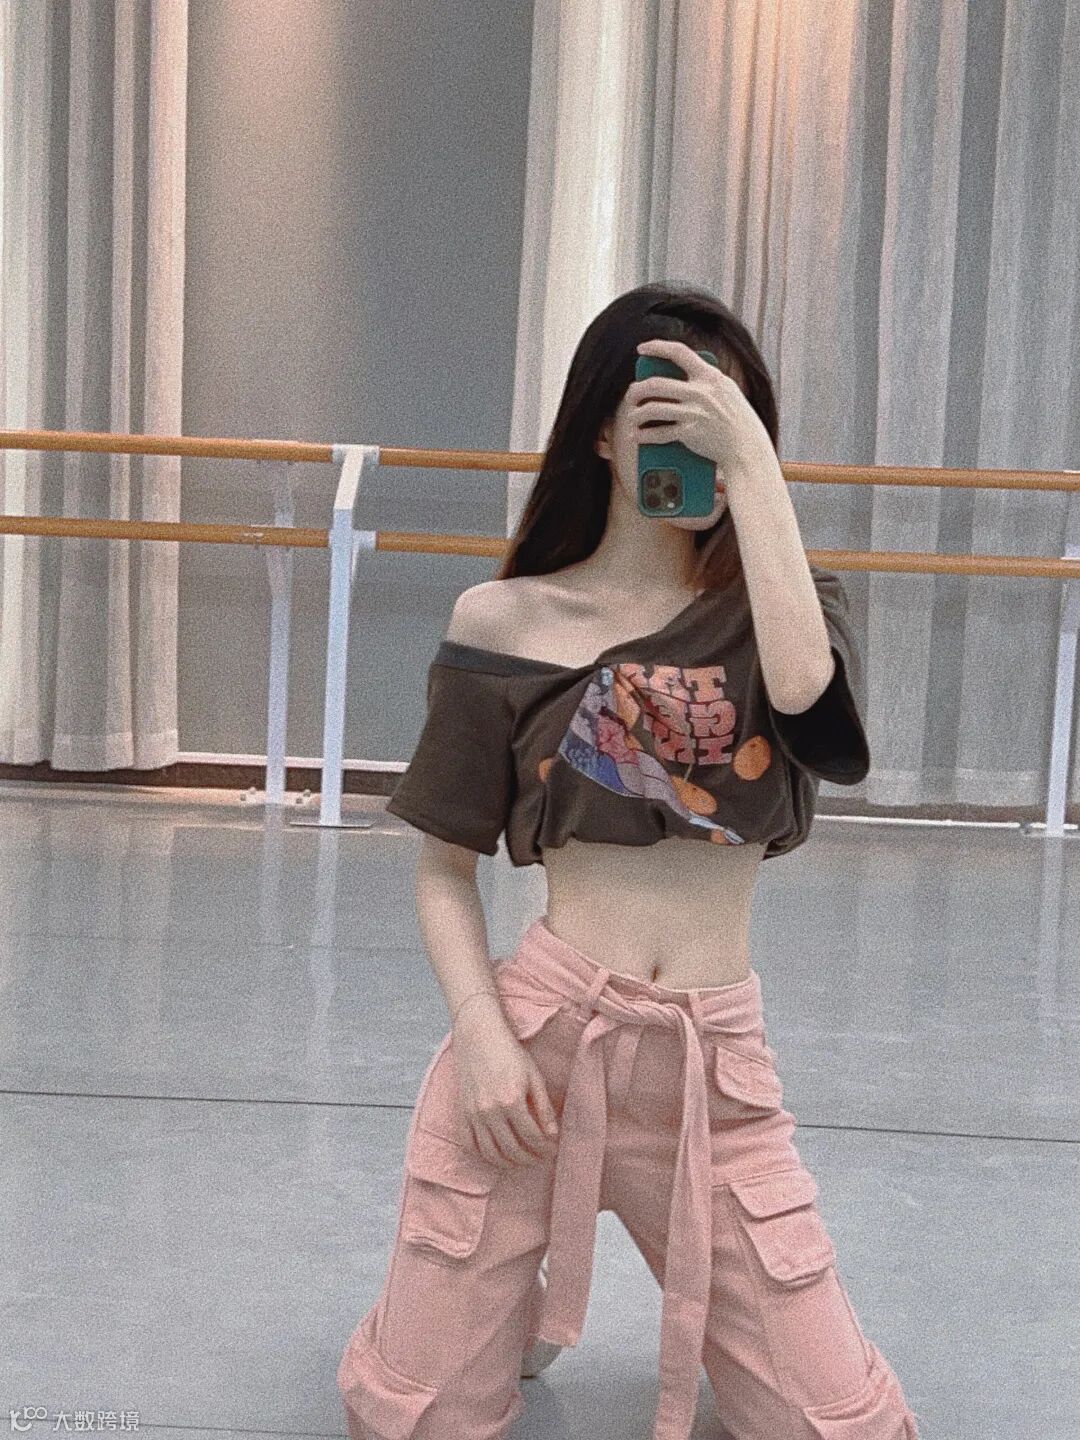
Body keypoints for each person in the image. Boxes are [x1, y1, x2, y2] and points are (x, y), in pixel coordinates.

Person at [337, 284, 921, 1440]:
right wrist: (484, 1041)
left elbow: (819, 723)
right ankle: (490, 1297)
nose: (694, 441)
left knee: (842, 1430)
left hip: (714, 1070)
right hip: (537, 1052)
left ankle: (526, 1295)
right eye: (665, 414)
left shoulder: (787, 614)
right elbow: (443, 871)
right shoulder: (503, 620)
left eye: (724, 417)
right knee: (415, 1420)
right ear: (603, 433)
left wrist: (755, 476)